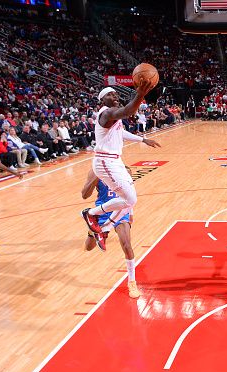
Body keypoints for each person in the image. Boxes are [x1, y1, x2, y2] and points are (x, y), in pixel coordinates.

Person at [81, 81, 160, 250]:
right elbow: (128, 111)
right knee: (130, 199)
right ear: (103, 101)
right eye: (110, 95)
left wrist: (143, 139)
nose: (115, 96)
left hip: (115, 160)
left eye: (116, 94)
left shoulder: (112, 118)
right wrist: (140, 94)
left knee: (129, 201)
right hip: (105, 160)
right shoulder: (106, 113)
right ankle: (91, 214)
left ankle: (104, 229)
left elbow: (121, 132)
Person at [82, 167, 140, 299]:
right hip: (102, 211)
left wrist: (131, 212)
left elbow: (130, 193)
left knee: (127, 244)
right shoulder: (94, 171)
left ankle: (132, 282)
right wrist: (95, 178)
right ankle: (91, 232)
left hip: (120, 210)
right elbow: (84, 195)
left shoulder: (125, 170)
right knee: (89, 247)